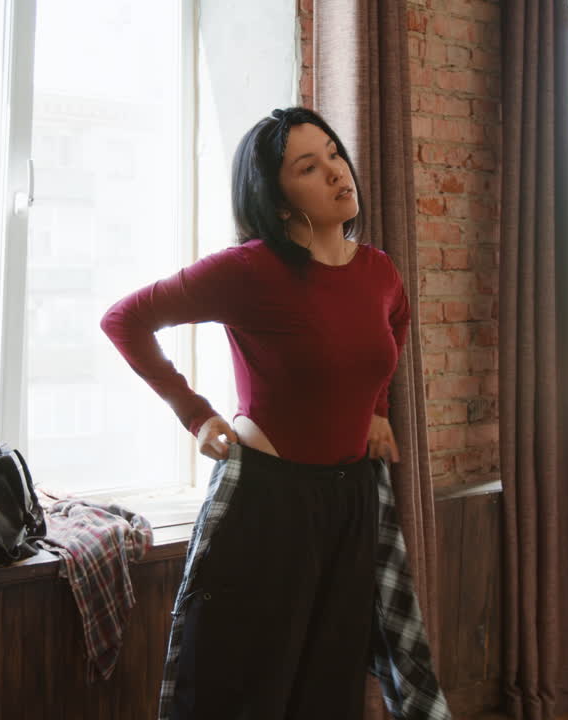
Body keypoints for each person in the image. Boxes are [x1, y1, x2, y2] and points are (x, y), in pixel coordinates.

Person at [100, 107, 451, 720]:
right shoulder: (248, 270)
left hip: (350, 498)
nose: (338, 172)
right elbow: (124, 320)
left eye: (335, 155)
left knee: (330, 680)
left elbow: (392, 329)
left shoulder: (379, 271)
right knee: (241, 686)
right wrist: (196, 413)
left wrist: (374, 410)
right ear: (278, 196)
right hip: (266, 504)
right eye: (309, 167)